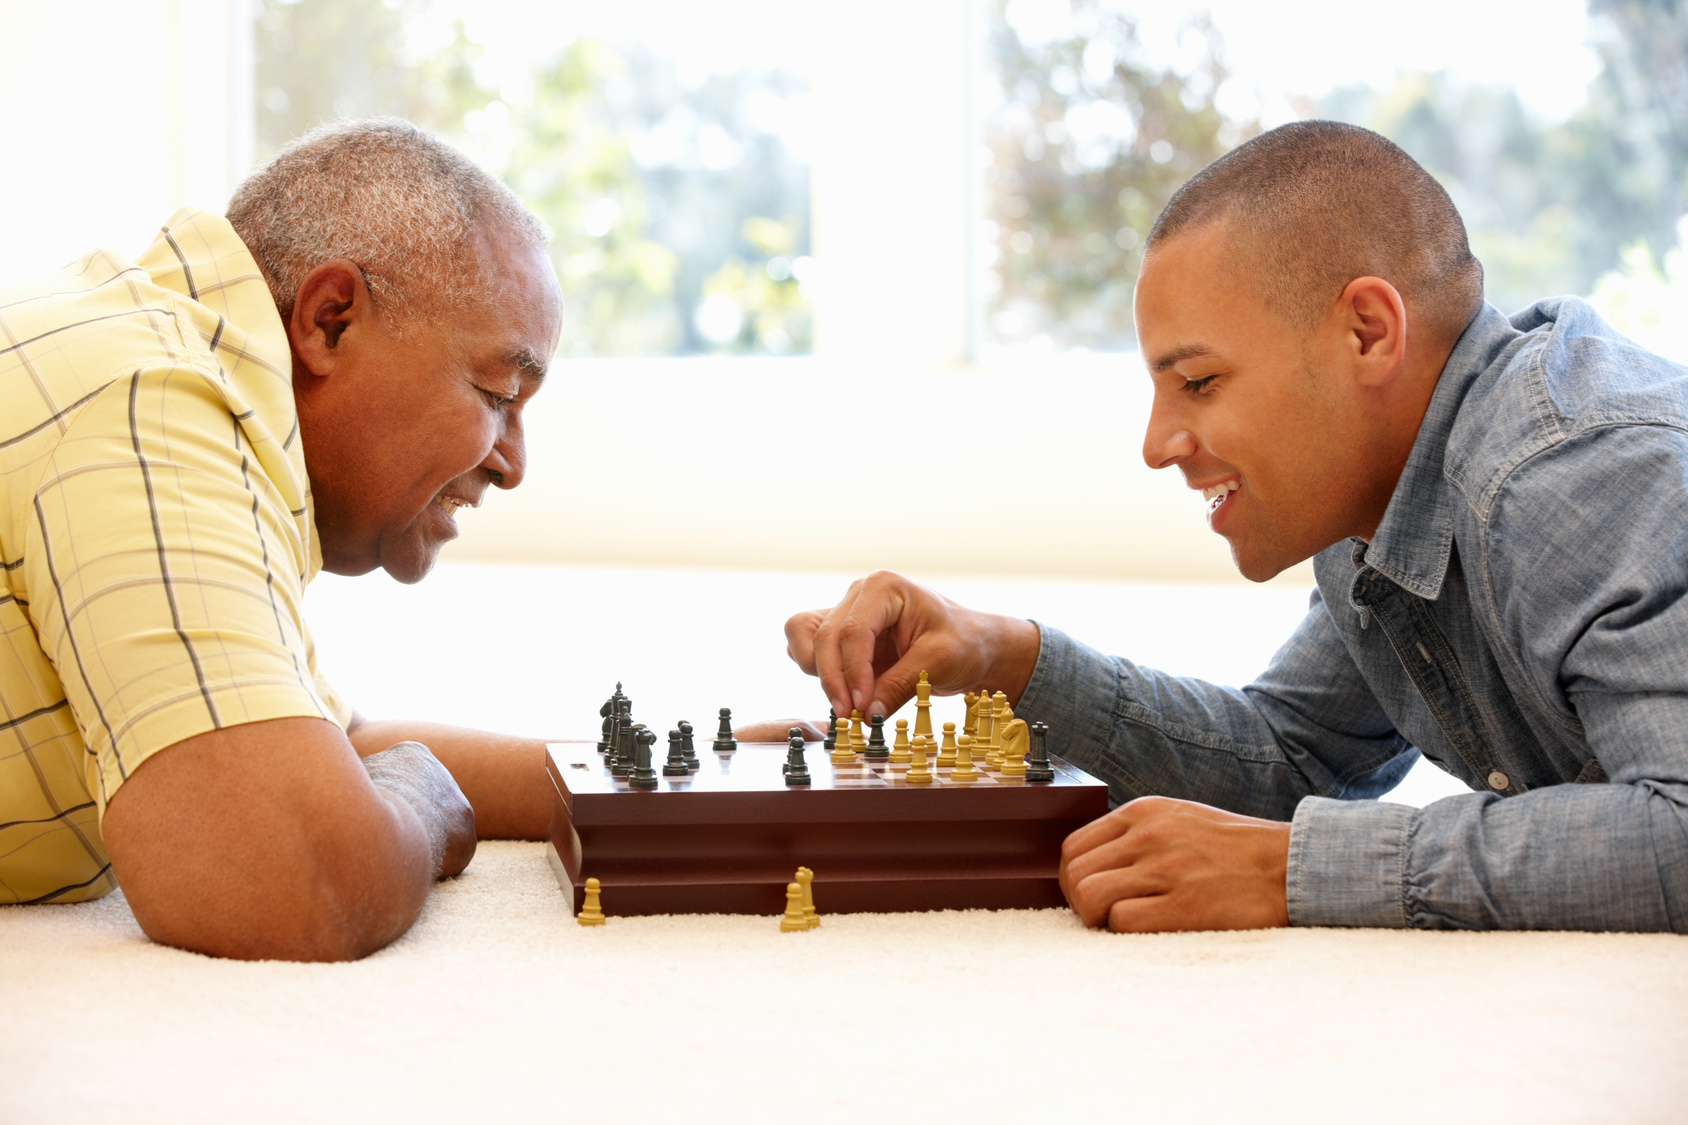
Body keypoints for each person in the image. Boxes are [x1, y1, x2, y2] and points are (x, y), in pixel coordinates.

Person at [784, 120, 1688, 935]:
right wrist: (1000, 653)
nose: (1156, 444)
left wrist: (1295, 868)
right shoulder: (1381, 498)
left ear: (1368, 332)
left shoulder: (1578, 474)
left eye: (1200, 382)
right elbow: (1294, 759)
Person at [0, 120, 563, 960]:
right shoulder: (151, 401)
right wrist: (420, 797)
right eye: (497, 392)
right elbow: (291, 878)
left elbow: (325, 747)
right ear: (329, 320)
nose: (513, 464)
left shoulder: (182, 372)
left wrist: (646, 771)